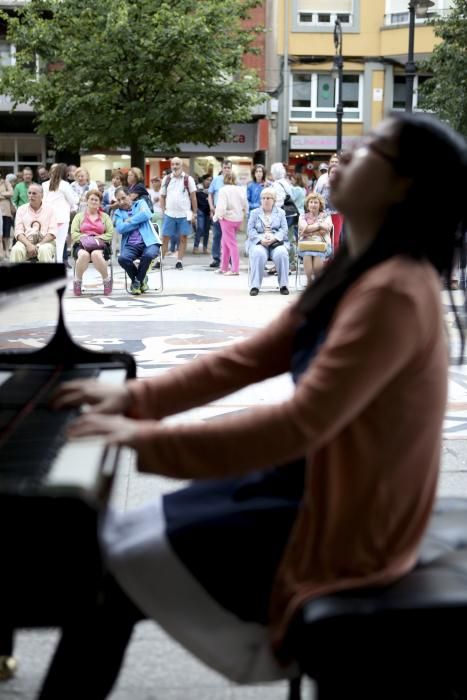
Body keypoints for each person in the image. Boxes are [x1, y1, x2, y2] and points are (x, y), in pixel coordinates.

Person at [7, 112, 467, 700]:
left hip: (341, 519)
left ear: (405, 185)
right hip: (307, 484)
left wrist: (133, 435)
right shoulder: (360, 271)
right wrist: (134, 397)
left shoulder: (395, 293)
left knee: (112, 575)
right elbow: (247, 358)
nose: (346, 156)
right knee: (111, 564)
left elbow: (297, 426)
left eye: (372, 149)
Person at [114, 185, 161, 295]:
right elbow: (120, 228)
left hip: (149, 242)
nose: (121, 202)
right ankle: (141, 280)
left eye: (123, 198)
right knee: (122, 258)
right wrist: (139, 220)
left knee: (149, 255)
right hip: (131, 245)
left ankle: (137, 282)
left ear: (130, 196)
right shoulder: (118, 213)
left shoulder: (140, 203)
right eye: (118, 200)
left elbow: (147, 214)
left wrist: (129, 221)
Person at [246, 187, 290, 296]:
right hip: (260, 242)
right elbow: (250, 230)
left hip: (276, 241)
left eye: (268, 198)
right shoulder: (254, 213)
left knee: (282, 253)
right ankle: (255, 286)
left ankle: (283, 285)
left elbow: (284, 230)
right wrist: (261, 240)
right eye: (263, 198)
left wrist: (275, 238)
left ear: (274, 200)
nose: (265, 200)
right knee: (258, 253)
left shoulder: (281, 212)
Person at [71, 189, 114, 297]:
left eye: (96, 200)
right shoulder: (79, 216)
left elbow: (110, 233)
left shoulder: (105, 217)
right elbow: (73, 233)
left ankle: (106, 280)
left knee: (96, 254)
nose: (94, 202)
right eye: (91, 199)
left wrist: (98, 238)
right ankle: (77, 282)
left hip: (99, 245)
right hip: (82, 245)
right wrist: (85, 237)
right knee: (84, 255)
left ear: (99, 203)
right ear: (87, 201)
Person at [160, 157, 197, 270]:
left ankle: (179, 261)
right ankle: (160, 260)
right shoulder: (166, 179)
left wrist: (194, 213)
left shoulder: (188, 179)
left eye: (177, 164)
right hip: (169, 213)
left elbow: (193, 197)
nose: (175, 166)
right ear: (171, 166)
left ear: (182, 166)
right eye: (173, 164)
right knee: (164, 238)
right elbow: (162, 196)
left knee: (183, 238)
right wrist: (163, 211)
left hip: (184, 214)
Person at [10, 183, 57, 263]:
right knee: (16, 250)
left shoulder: (50, 209)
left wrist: (38, 245)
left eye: (34, 193)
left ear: (42, 195)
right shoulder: (21, 209)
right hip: (25, 242)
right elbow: (18, 232)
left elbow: (52, 232)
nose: (31, 195)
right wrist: (28, 245)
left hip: (45, 242)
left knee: (44, 250)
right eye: (29, 193)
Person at [42, 163, 78, 263]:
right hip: (62, 218)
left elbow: (44, 201)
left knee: (50, 242)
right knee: (60, 243)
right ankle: (58, 263)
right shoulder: (65, 185)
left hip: (48, 217)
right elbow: (73, 200)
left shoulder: (45, 185)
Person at [213, 172, 247, 276]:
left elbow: (221, 207)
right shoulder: (241, 189)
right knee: (225, 243)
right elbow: (245, 204)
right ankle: (224, 267)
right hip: (238, 218)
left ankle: (235, 269)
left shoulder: (223, 190)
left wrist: (217, 216)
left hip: (227, 219)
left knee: (231, 244)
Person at [297, 192, 333, 284]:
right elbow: (303, 227)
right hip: (305, 244)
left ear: (320, 204)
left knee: (317, 253)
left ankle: (317, 281)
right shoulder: (302, 216)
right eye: (311, 202)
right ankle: (309, 281)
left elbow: (327, 228)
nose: (313, 204)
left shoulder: (326, 216)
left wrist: (309, 229)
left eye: (316, 202)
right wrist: (319, 226)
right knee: (307, 253)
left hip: (323, 244)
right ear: (307, 204)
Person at [208, 159, 233, 268]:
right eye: (225, 167)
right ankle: (216, 258)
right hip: (218, 211)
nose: (227, 169)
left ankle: (231, 258)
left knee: (229, 236)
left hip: (230, 212)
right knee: (217, 235)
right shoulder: (216, 180)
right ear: (222, 168)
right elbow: (210, 194)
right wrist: (211, 207)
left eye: (229, 168)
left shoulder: (233, 179)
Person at [193, 174, 212, 254]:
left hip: (208, 211)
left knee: (207, 230)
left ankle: (205, 247)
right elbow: (193, 198)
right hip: (200, 210)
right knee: (200, 228)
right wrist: (194, 210)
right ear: (203, 180)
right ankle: (196, 247)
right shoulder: (197, 188)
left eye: (210, 180)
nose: (209, 182)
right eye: (207, 180)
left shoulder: (212, 189)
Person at [0, 170, 14, 259]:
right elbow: (8, 194)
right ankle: (1, 251)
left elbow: (11, 193)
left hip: (5, 210)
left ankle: (6, 251)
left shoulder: (5, 182)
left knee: (6, 232)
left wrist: (1, 194)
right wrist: (4, 195)